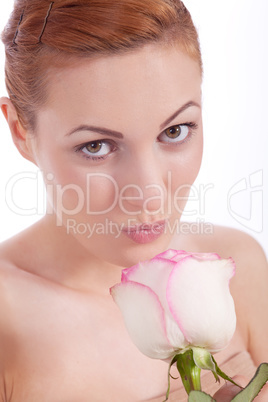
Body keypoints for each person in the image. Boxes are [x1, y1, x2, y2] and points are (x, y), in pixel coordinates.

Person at [0, 0, 267, 401]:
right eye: (95, 145)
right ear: (21, 131)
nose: (149, 193)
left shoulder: (234, 268)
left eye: (175, 130)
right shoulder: (8, 323)